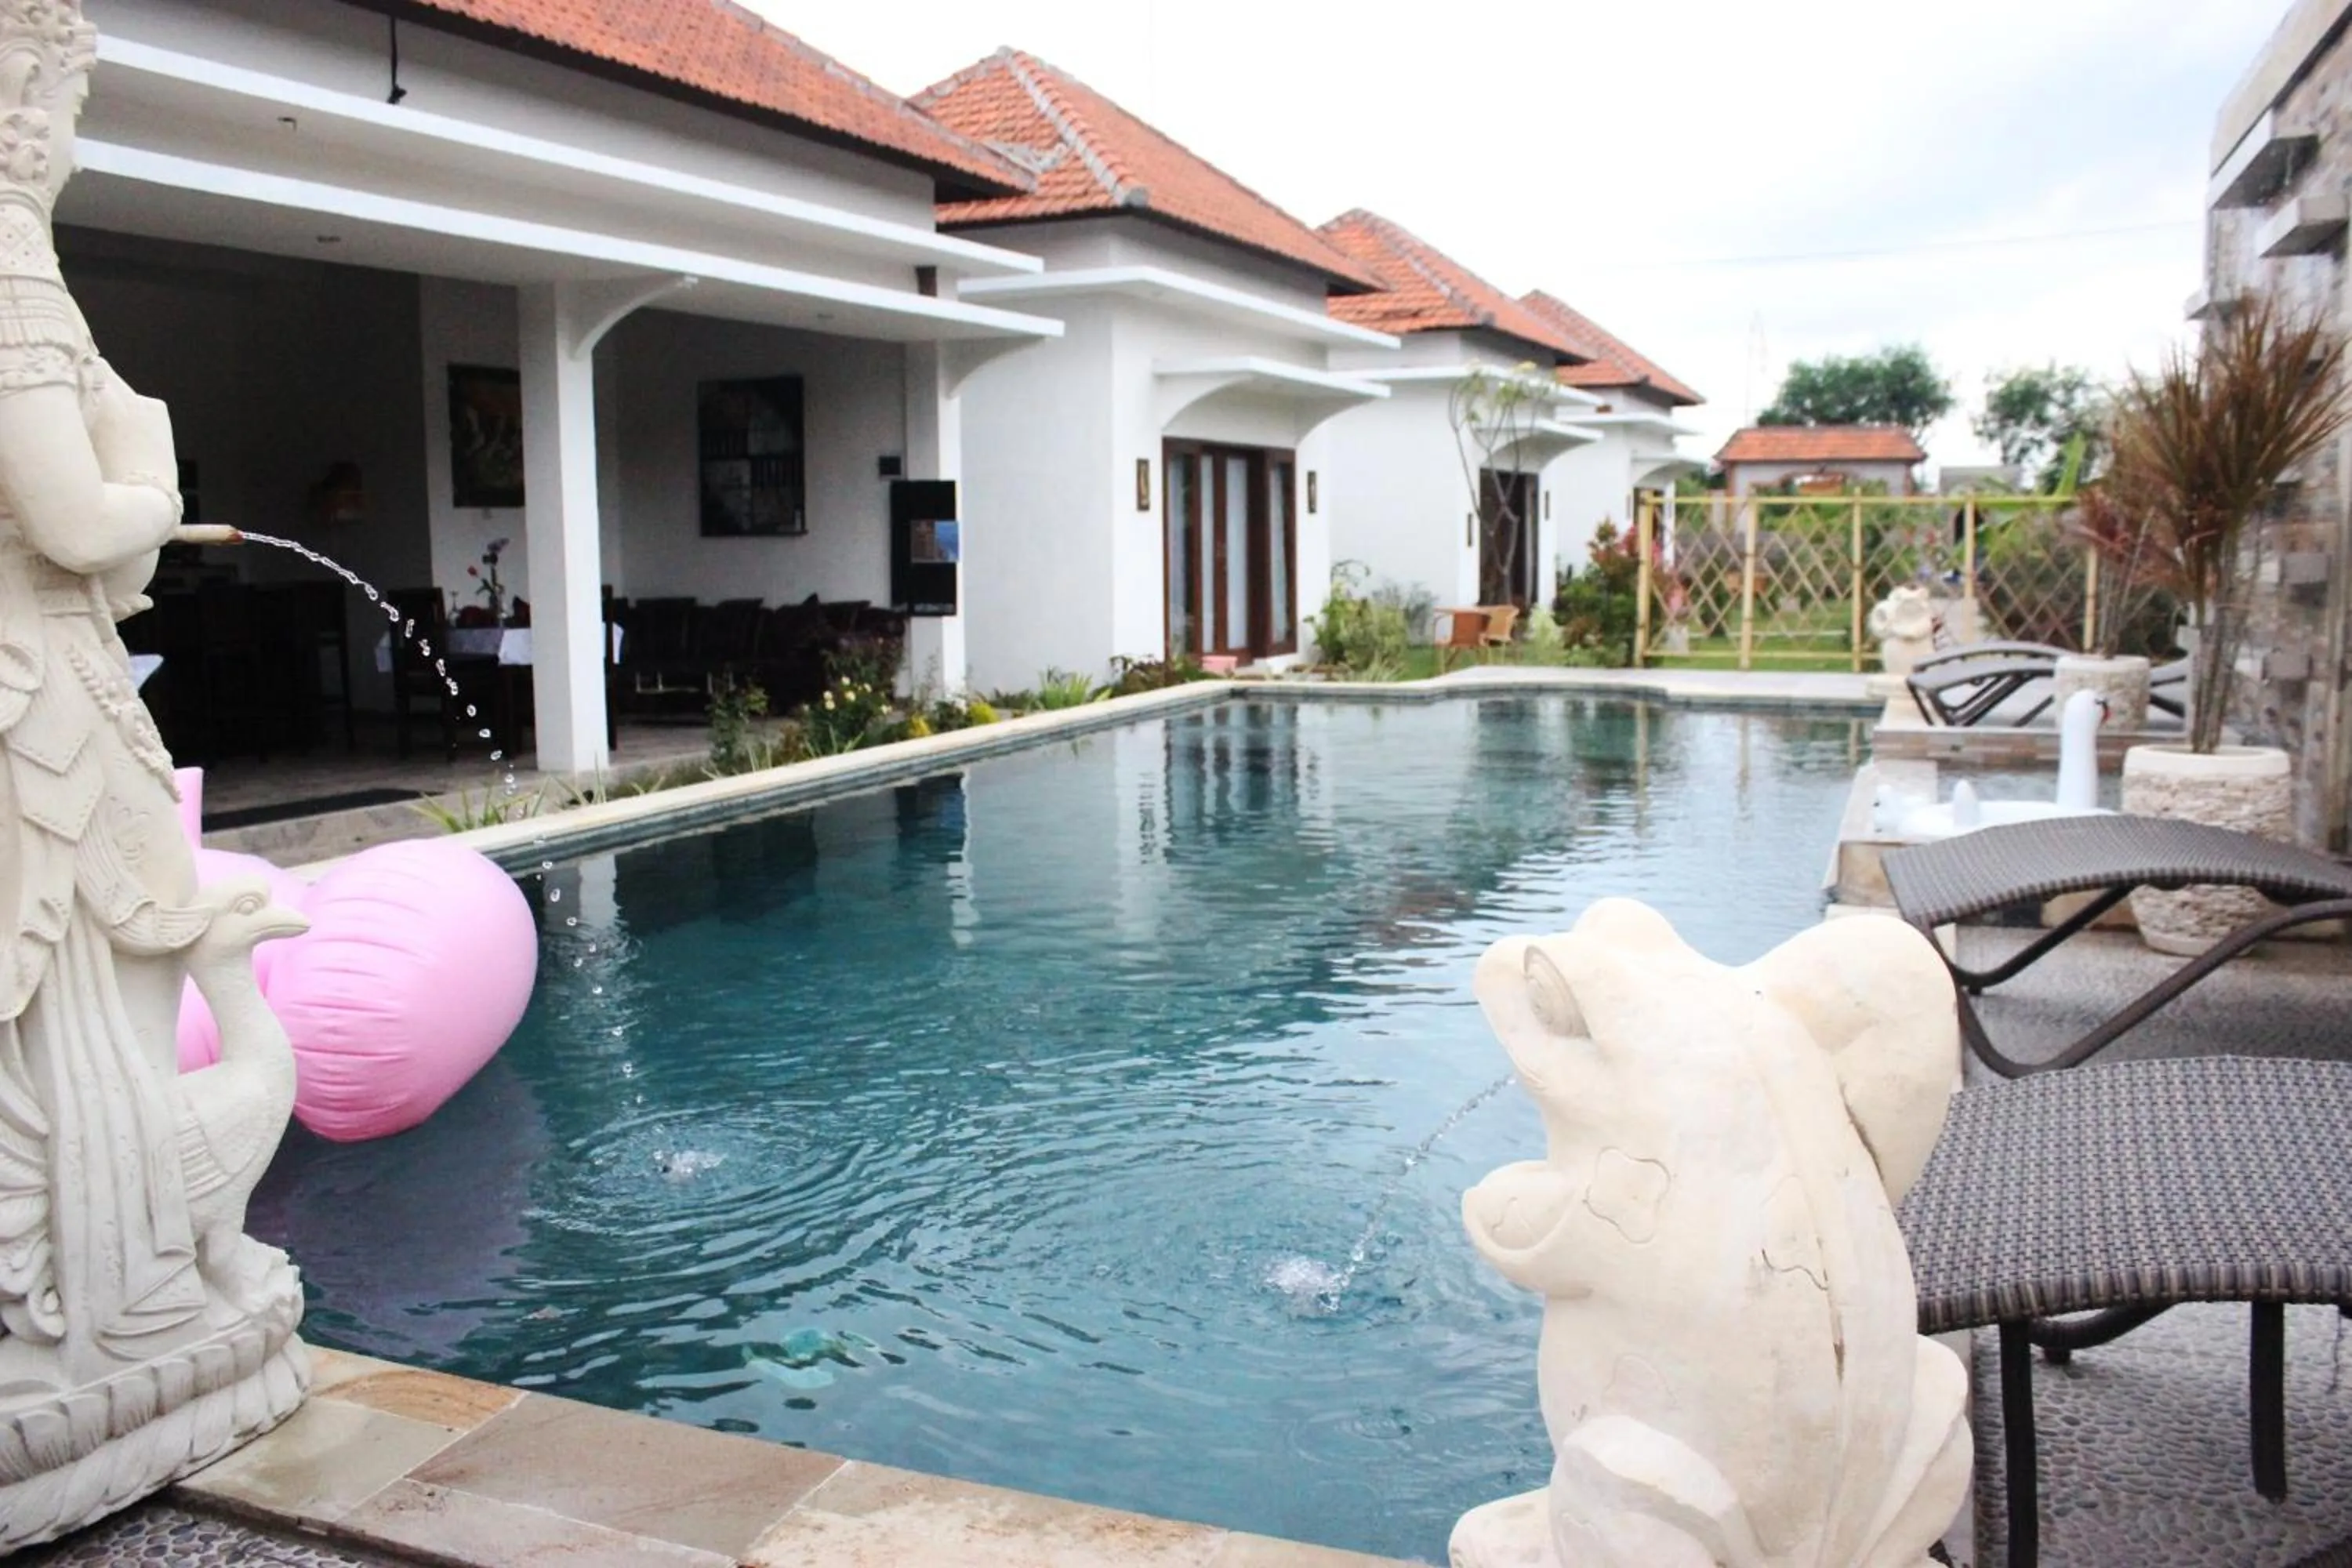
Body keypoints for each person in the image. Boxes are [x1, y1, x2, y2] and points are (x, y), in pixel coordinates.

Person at [0, 0, 209, 1393]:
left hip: (52, 667)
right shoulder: (10, 257)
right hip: (41, 686)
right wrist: (162, 487)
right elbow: (76, 521)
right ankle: (115, 1300)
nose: (77, 133)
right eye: (72, 99)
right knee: (118, 972)